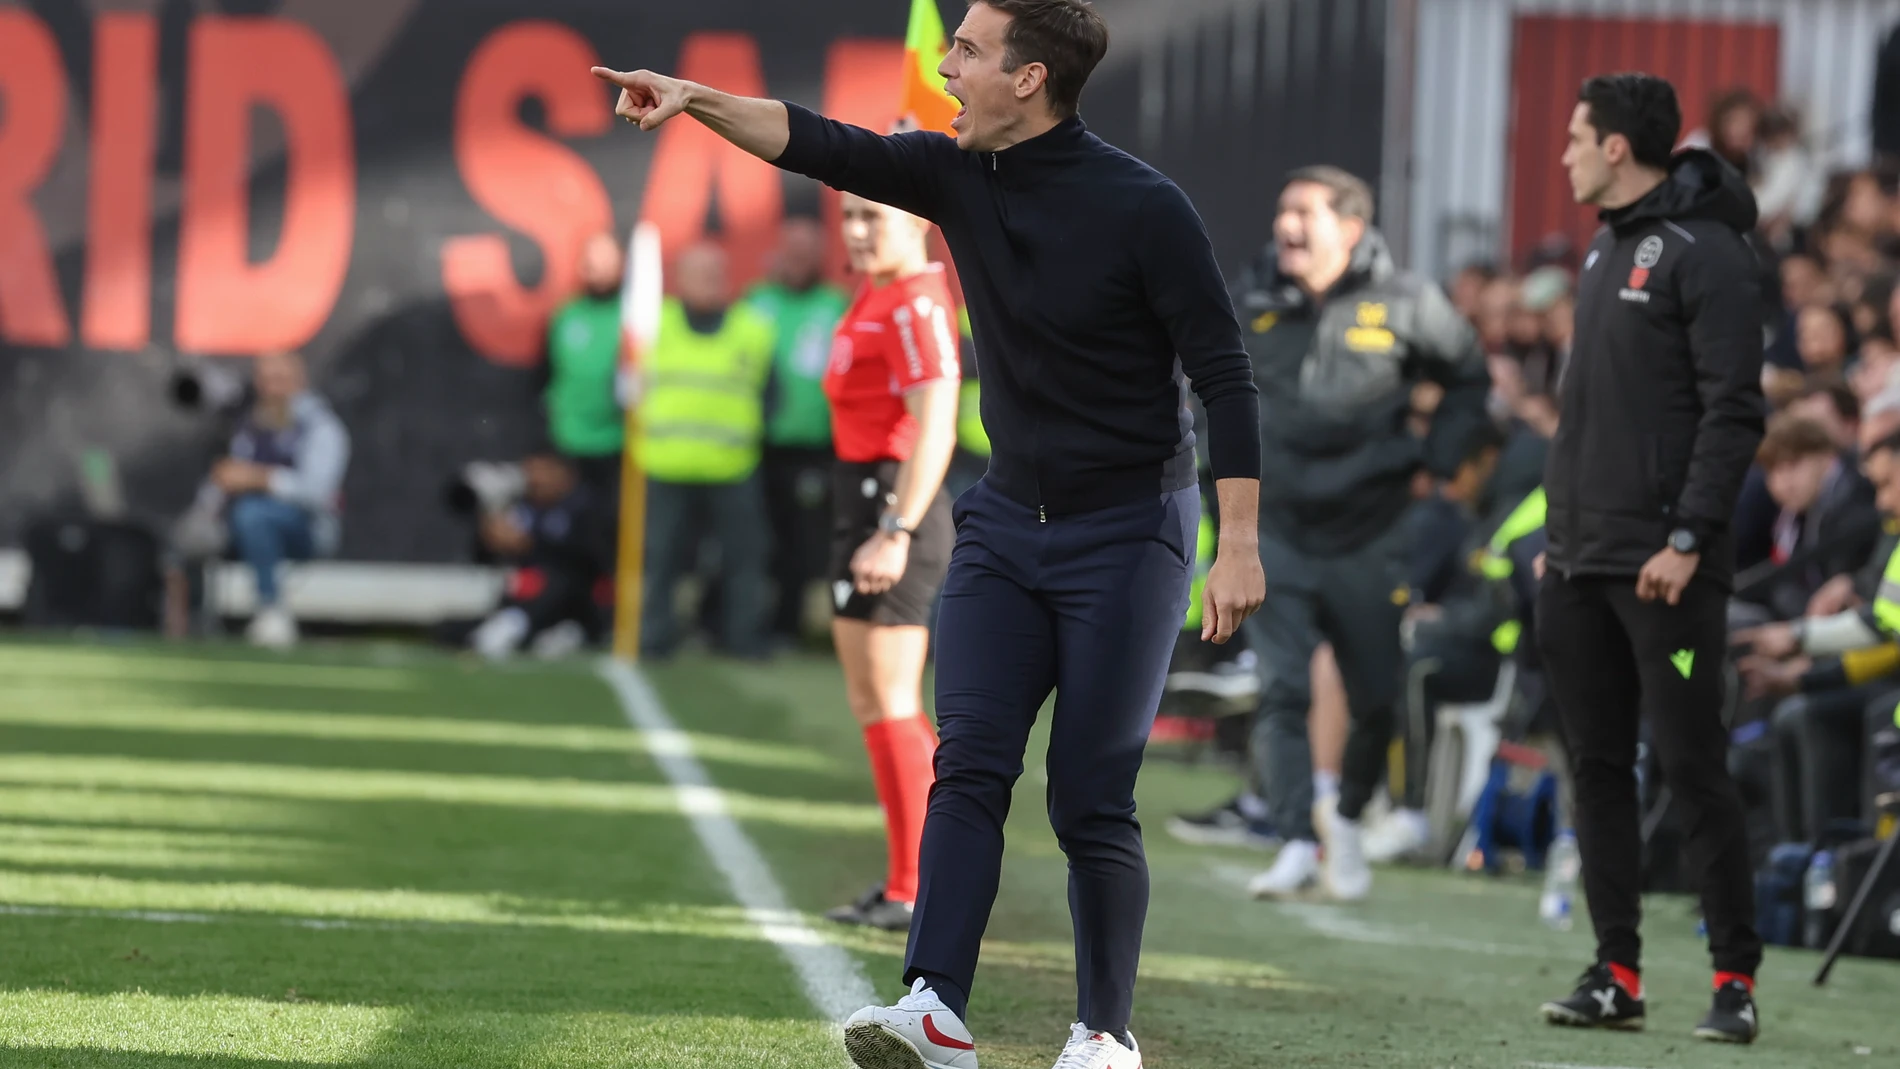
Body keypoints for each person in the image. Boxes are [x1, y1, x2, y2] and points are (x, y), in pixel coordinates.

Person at [595, 0, 1268, 1064]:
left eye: (966, 49)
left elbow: (1224, 375)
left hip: (1129, 530)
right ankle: (932, 1005)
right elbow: (818, 140)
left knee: (1091, 795)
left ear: (1030, 79)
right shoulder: (952, 173)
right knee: (969, 765)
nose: (946, 65)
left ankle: (1103, 1034)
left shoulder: (1147, 206)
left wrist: (1236, 542)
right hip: (1003, 522)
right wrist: (691, 102)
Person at [1535, 73, 1766, 1044]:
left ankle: (1734, 979)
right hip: (1581, 565)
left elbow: (1734, 410)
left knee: (1690, 762)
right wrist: (1558, 543)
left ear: (1618, 149)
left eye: (1577, 138)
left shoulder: (1706, 253)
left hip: (1663, 570)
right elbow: (1591, 417)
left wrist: (1687, 537)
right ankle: (1616, 971)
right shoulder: (1603, 248)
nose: (1566, 154)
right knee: (1596, 767)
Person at [1229, 166, 1491, 903]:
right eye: (1282, 208)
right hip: (1275, 527)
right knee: (1279, 688)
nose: (1285, 224)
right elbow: (1211, 382)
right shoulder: (1252, 297)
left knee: (1376, 696)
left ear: (1348, 228)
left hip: (1371, 532)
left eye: (1302, 211)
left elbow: (1469, 375)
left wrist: (1436, 457)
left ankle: (1345, 817)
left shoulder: (1407, 301)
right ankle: (1291, 840)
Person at [818, 191, 962, 932]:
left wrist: (896, 527)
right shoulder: (879, 293)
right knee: (875, 704)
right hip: (863, 504)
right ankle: (911, 878)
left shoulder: (914, 302)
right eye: (850, 216)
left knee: (896, 702)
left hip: (891, 508)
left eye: (874, 215)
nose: (858, 229)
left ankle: (923, 884)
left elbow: (937, 421)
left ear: (919, 222)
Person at [636, 242, 777, 660]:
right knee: (661, 561)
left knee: (744, 560)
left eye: (716, 273)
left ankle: (745, 640)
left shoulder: (754, 328)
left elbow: (772, 394)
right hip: (665, 466)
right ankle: (654, 638)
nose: (709, 282)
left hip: (733, 468)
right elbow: (625, 388)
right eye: (699, 274)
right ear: (679, 280)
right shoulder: (650, 326)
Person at [177, 350, 350, 650]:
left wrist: (260, 479)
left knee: (253, 514)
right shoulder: (245, 425)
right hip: (237, 522)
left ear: (301, 381)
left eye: (281, 379)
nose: (273, 388)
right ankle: (190, 622)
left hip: (306, 529)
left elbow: (316, 492)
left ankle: (271, 609)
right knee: (191, 535)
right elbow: (222, 480)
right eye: (266, 380)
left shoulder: (321, 427)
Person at [747, 217, 852, 646]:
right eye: (792, 251)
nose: (798, 261)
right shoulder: (755, 304)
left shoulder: (836, 304)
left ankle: (797, 627)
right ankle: (753, 623)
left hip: (818, 446)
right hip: (759, 444)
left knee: (808, 542)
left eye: (807, 253)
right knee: (759, 538)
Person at [467, 449, 614, 659]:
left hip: (577, 596)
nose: (536, 479)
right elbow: (483, 559)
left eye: (543, 471)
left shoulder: (587, 506)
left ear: (564, 473)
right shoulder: (523, 507)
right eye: (531, 471)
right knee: (451, 630)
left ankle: (530, 627)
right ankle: (521, 627)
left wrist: (531, 544)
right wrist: (490, 539)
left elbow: (593, 559)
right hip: (529, 592)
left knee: (558, 582)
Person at [542, 232, 628, 498]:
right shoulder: (566, 315)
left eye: (607, 264)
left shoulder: (638, 317)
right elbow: (545, 374)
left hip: (622, 445)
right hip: (569, 443)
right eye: (592, 264)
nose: (599, 273)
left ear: (622, 264)